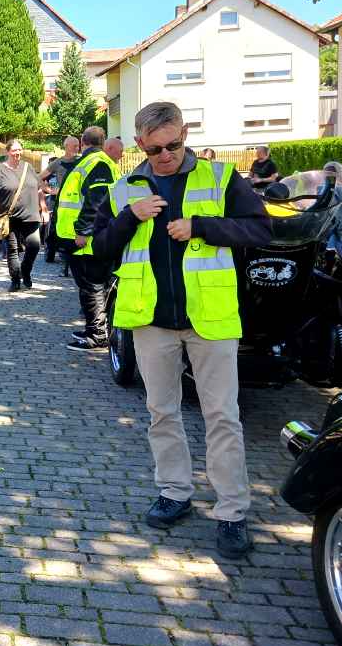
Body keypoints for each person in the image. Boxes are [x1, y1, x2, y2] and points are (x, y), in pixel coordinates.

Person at [88, 101, 270, 558]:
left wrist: (202, 227)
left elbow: (261, 231)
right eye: (155, 149)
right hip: (150, 322)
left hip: (210, 319)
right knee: (161, 412)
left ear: (185, 133)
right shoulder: (124, 188)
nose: (166, 155)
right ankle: (174, 493)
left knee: (223, 416)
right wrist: (132, 216)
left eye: (174, 145)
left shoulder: (221, 178)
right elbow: (100, 251)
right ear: (138, 145)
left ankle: (232, 513)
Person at [57, 126, 120, 351]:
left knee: (92, 287)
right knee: (89, 287)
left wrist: (83, 231)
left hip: (88, 241)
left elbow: (96, 201)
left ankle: (98, 335)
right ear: (102, 142)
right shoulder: (95, 162)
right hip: (83, 239)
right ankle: (93, 329)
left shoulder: (97, 164)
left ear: (83, 142)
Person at [0, 140, 45, 291]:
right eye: (14, 150)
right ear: (7, 152)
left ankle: (25, 270)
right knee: (12, 249)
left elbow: (39, 189)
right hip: (9, 217)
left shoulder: (28, 167)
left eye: (20, 150)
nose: (18, 153)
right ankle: (15, 279)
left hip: (30, 215)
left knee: (34, 244)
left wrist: (43, 208)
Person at [40, 136, 80, 265]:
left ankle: (69, 260)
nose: (77, 148)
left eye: (78, 145)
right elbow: (39, 177)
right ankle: (50, 253)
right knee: (53, 230)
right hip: (59, 203)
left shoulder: (81, 162)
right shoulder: (58, 163)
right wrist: (50, 190)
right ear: (66, 147)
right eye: (74, 146)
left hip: (76, 203)